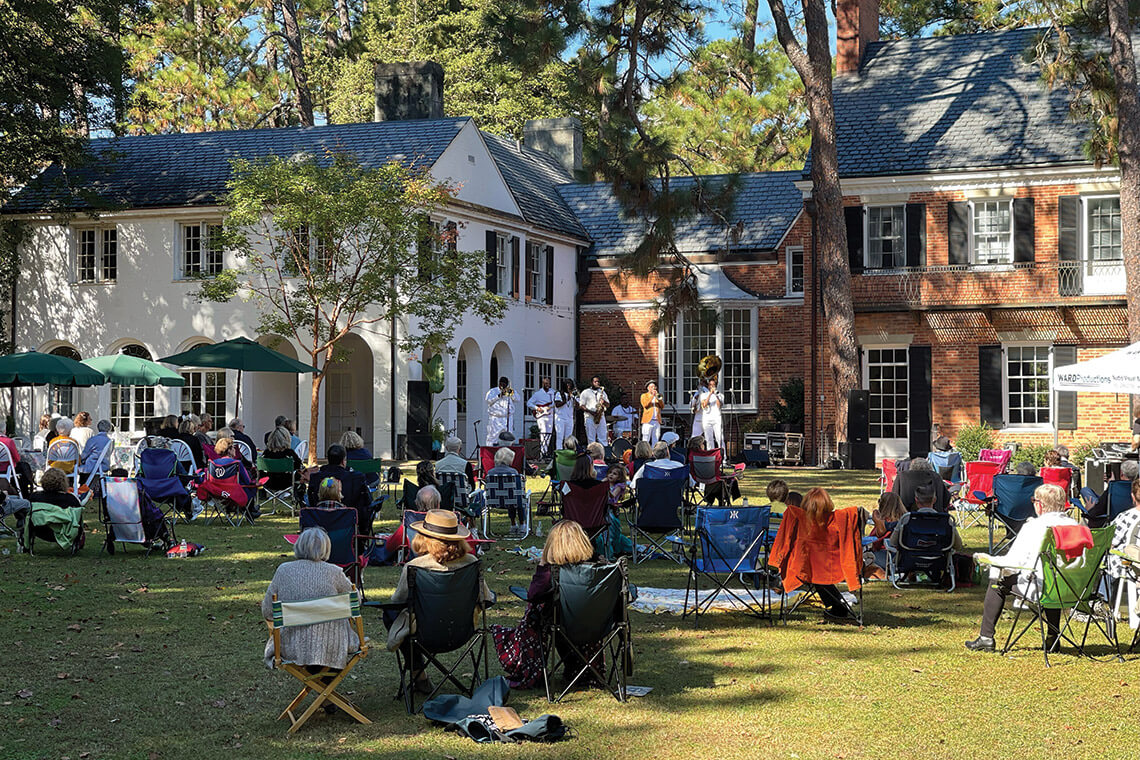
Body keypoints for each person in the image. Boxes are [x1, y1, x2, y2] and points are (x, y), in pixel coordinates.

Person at [387, 509, 493, 693]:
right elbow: (487, 598)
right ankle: (420, 676)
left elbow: (397, 600)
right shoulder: (472, 562)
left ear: (425, 538)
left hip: (423, 634)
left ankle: (418, 673)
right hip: (463, 631)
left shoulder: (415, 567)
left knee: (390, 614)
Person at [966, 483, 1077, 652]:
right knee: (1053, 577)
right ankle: (1052, 638)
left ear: (1039, 504)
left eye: (1033, 500)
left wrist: (988, 560)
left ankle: (986, 637)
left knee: (997, 580)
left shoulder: (1034, 527)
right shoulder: (1076, 526)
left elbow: (1013, 561)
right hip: (1074, 588)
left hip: (1042, 588)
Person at [492, 520, 598, 688]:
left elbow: (533, 595)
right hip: (593, 624)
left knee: (534, 611)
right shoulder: (598, 570)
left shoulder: (550, 572)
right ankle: (586, 668)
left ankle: (527, 667)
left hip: (560, 623)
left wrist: (542, 565)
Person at [261, 527, 360, 676]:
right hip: (334, 645)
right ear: (326, 548)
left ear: (299, 545)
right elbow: (355, 601)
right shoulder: (334, 572)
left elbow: (268, 611)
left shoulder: (284, 570)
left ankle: (323, 693)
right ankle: (325, 694)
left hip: (292, 645)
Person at [887, 484, 963, 583]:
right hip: (938, 560)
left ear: (916, 500)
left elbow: (893, 542)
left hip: (910, 560)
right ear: (934, 500)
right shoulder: (946, 520)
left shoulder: (907, 519)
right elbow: (957, 545)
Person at [800, 487, 856, 619]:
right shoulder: (838, 521)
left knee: (816, 573)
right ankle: (838, 607)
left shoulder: (803, 524)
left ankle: (838, 607)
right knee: (820, 574)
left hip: (809, 568)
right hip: (839, 568)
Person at [307, 444, 371, 539]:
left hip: (320, 525)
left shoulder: (316, 477)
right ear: (343, 461)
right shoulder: (356, 478)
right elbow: (367, 501)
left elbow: (311, 500)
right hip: (349, 526)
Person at [1105, 479, 1140, 602]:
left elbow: (1111, 542)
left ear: (1132, 496)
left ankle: (1105, 600)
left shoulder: (1126, 517)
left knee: (1106, 557)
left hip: (1131, 563)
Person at [486, 446, 527, 536]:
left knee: (510, 496)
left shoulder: (490, 473)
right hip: (512, 500)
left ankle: (513, 524)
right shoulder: (513, 472)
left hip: (494, 501)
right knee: (517, 497)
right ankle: (522, 524)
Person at [1088, 459, 1139, 528]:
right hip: (1132, 520)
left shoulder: (1113, 486)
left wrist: (1089, 509)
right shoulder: (1137, 488)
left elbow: (1098, 510)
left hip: (1113, 521)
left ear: (1121, 473)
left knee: (1085, 491)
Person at [527, 376, 557, 456]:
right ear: (542, 384)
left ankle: (545, 451)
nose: (548, 385)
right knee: (543, 433)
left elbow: (556, 403)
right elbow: (529, 403)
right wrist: (537, 408)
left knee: (549, 434)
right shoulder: (538, 394)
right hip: (542, 416)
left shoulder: (553, 392)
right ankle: (543, 452)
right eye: (546, 383)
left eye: (549, 383)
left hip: (550, 415)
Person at [0, 429, 35, 496]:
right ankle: (26, 492)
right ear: (4, 430)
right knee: (24, 466)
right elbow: (17, 459)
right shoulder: (9, 441)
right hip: (7, 469)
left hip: (5, 469)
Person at [484, 377, 516, 446]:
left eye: (505, 384)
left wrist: (511, 393)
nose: (503, 385)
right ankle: (490, 451)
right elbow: (488, 401)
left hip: (507, 417)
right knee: (493, 436)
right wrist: (499, 396)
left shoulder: (509, 391)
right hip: (495, 418)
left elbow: (517, 399)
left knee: (508, 435)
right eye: (502, 383)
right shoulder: (492, 391)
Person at [579, 376, 609, 446]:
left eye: (598, 382)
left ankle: (603, 454)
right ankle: (592, 455)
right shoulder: (585, 392)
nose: (597, 383)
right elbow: (581, 405)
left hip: (600, 417)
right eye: (595, 382)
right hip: (589, 417)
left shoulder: (602, 392)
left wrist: (604, 402)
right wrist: (591, 412)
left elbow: (608, 405)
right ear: (591, 383)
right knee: (591, 439)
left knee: (603, 438)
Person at [699, 377, 725, 454]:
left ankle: (723, 458)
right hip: (707, 419)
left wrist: (716, 396)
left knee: (719, 439)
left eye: (713, 385)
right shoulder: (703, 395)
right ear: (708, 386)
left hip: (717, 418)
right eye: (710, 385)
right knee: (709, 439)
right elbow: (704, 405)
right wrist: (710, 394)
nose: (712, 386)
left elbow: (719, 406)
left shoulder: (720, 395)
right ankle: (711, 456)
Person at [554, 379, 578, 451]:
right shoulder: (559, 394)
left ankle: (568, 452)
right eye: (567, 384)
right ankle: (559, 452)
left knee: (568, 438)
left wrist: (574, 398)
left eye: (570, 384)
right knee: (560, 437)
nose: (568, 385)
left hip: (569, 418)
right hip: (560, 418)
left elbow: (577, 407)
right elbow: (557, 404)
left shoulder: (573, 395)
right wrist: (566, 399)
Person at [639, 381, 664, 446]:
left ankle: (654, 453)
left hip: (656, 421)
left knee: (656, 438)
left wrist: (658, 399)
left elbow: (662, 406)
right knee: (646, 438)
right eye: (652, 387)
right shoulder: (644, 395)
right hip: (648, 421)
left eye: (654, 387)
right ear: (648, 388)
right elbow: (645, 404)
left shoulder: (657, 396)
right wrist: (652, 396)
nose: (654, 388)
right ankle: (645, 453)